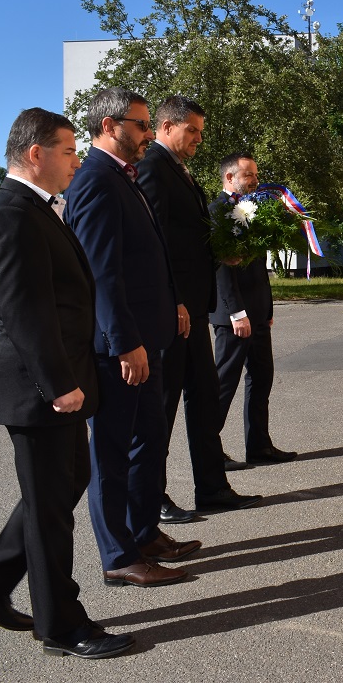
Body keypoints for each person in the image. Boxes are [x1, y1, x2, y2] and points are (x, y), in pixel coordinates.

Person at [0, 107, 133, 659]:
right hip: (37, 387)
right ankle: (60, 624)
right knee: (50, 506)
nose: (76, 161)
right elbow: (27, 312)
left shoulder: (38, 210)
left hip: (54, 380)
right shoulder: (11, 215)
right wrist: (58, 384)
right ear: (36, 153)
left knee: (61, 486)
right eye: (69, 151)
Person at [63, 87, 198, 589]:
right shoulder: (96, 180)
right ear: (108, 126)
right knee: (113, 454)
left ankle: (143, 533)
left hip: (149, 334)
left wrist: (174, 302)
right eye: (141, 125)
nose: (147, 134)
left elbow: (147, 254)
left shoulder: (125, 176)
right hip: (122, 347)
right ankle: (119, 555)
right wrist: (124, 342)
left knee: (149, 440)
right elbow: (102, 272)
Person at [136, 95, 262, 520]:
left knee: (204, 399)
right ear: (167, 126)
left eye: (200, 133)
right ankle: (154, 497)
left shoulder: (178, 169)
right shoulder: (152, 167)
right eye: (191, 131)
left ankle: (212, 487)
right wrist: (170, 301)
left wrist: (219, 254)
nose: (197, 140)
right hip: (175, 311)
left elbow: (190, 237)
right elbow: (156, 243)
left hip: (193, 307)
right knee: (164, 408)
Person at [210, 151, 297, 465]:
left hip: (258, 311)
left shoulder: (253, 209)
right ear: (231, 177)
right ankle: (210, 450)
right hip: (235, 316)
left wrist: (268, 308)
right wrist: (237, 312)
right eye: (250, 176)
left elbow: (258, 266)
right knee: (224, 384)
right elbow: (222, 268)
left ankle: (259, 445)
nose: (257, 181)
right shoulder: (218, 211)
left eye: (257, 175)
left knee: (262, 379)